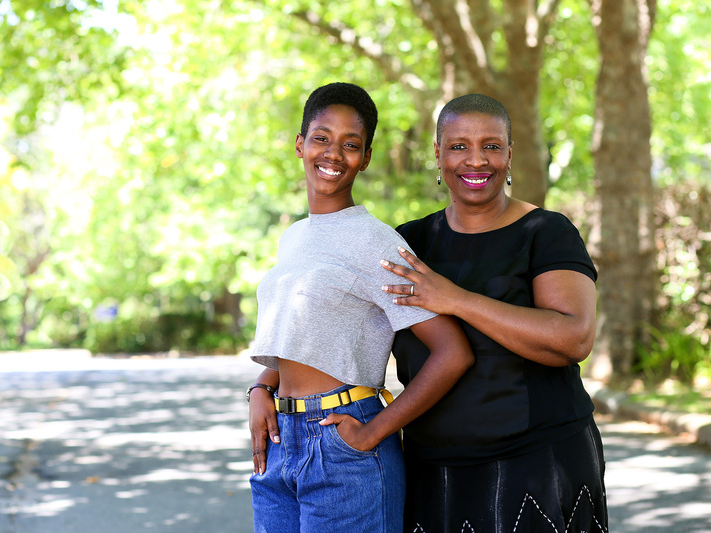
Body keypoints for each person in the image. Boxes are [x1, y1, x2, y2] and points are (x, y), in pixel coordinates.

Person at [246, 82, 474, 533]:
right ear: (300, 144)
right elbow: (300, 333)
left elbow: (453, 353)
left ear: (365, 158)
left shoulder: (377, 241)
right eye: (322, 138)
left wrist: (373, 433)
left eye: (351, 145)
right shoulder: (294, 236)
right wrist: (260, 387)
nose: (333, 154)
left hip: (344, 445)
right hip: (280, 444)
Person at [380, 93, 609, 532]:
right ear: (438, 153)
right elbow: (353, 331)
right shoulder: (407, 243)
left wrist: (457, 299)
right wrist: (265, 383)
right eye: (459, 146)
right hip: (433, 470)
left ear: (509, 153)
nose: (476, 161)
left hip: (539, 463)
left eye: (491, 145)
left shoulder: (546, 231)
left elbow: (574, 338)